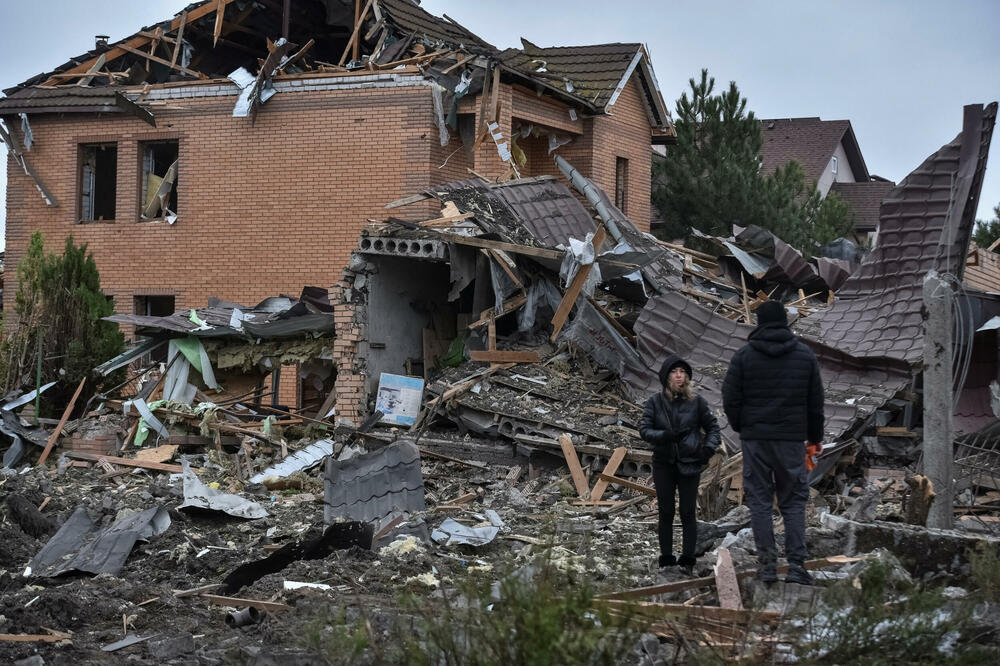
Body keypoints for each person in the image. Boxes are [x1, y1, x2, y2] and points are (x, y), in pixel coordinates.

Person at [722, 300, 824, 585]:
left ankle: (767, 568)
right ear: (785, 322)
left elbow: (730, 398)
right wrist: (815, 439)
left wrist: (743, 426)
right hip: (791, 440)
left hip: (756, 440)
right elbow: (816, 404)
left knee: (760, 502)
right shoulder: (805, 356)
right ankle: (796, 568)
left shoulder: (743, 357)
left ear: (759, 322)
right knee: (792, 503)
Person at [640, 354, 720, 571]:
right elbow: (644, 430)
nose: (679, 376)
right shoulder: (654, 403)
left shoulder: (697, 402)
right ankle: (666, 557)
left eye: (683, 372)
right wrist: (666, 435)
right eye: (675, 372)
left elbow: (713, 427)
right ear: (666, 377)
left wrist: (708, 449)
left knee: (687, 512)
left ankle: (688, 558)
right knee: (666, 512)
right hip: (663, 463)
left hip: (690, 463)